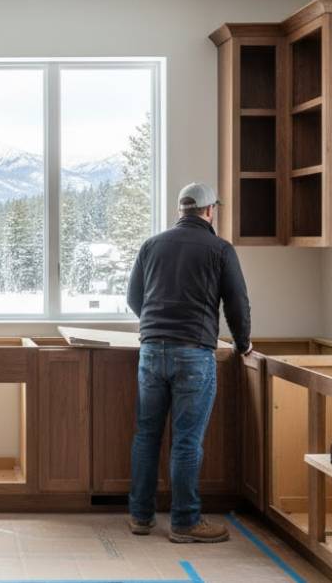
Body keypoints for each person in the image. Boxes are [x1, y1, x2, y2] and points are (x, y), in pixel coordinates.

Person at [125, 182, 252, 544]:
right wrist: (243, 344)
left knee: (146, 436)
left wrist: (156, 326)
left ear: (180, 210)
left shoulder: (151, 245)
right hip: (194, 353)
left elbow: (134, 298)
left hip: (151, 351)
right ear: (210, 211)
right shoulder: (220, 249)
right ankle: (184, 522)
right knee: (186, 441)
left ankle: (140, 517)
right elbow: (237, 303)